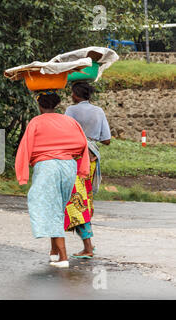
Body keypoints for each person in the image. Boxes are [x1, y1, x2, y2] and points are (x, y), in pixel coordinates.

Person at [15, 91, 90, 268]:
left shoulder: (36, 121)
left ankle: (63, 257)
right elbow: (82, 145)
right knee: (58, 207)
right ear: (56, 105)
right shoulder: (70, 121)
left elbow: (25, 147)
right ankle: (54, 252)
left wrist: (22, 174)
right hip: (68, 166)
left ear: (40, 106)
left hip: (47, 166)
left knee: (48, 206)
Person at [63, 82, 111, 259]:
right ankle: (88, 243)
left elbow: (64, 134)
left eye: (72, 93)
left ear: (76, 94)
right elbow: (107, 140)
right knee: (85, 200)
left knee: (77, 202)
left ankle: (88, 246)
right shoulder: (98, 111)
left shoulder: (71, 111)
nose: (71, 96)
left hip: (76, 160)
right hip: (92, 160)